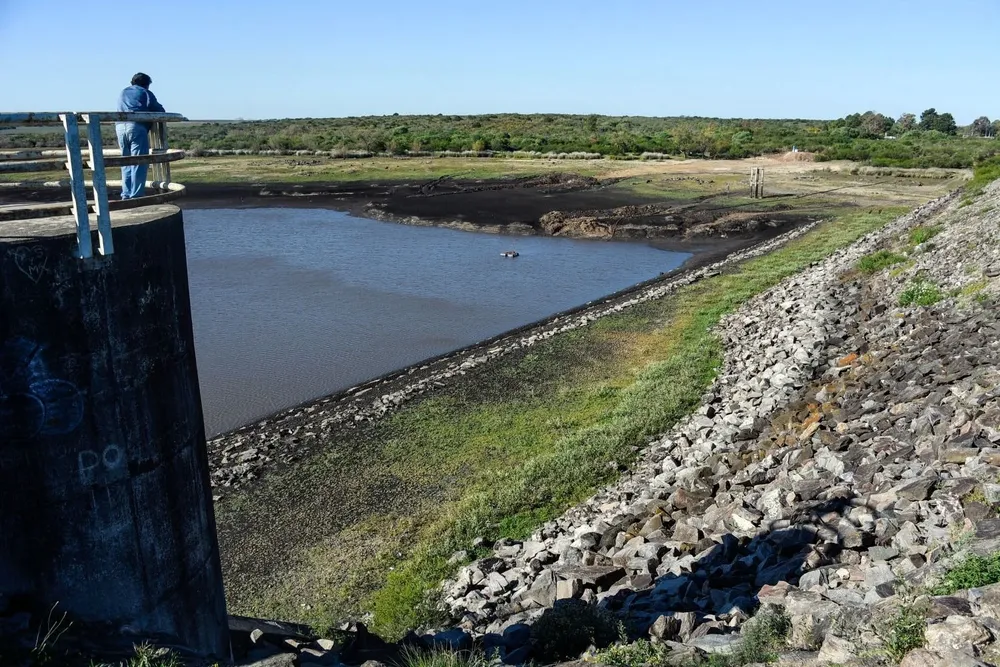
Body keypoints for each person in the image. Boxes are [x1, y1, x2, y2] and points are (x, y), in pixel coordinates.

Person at [116, 72, 165, 199]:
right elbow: (158, 109)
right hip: (137, 127)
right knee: (139, 162)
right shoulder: (145, 92)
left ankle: (125, 194)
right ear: (146, 84)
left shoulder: (123, 92)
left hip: (120, 127)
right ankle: (136, 196)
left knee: (126, 162)